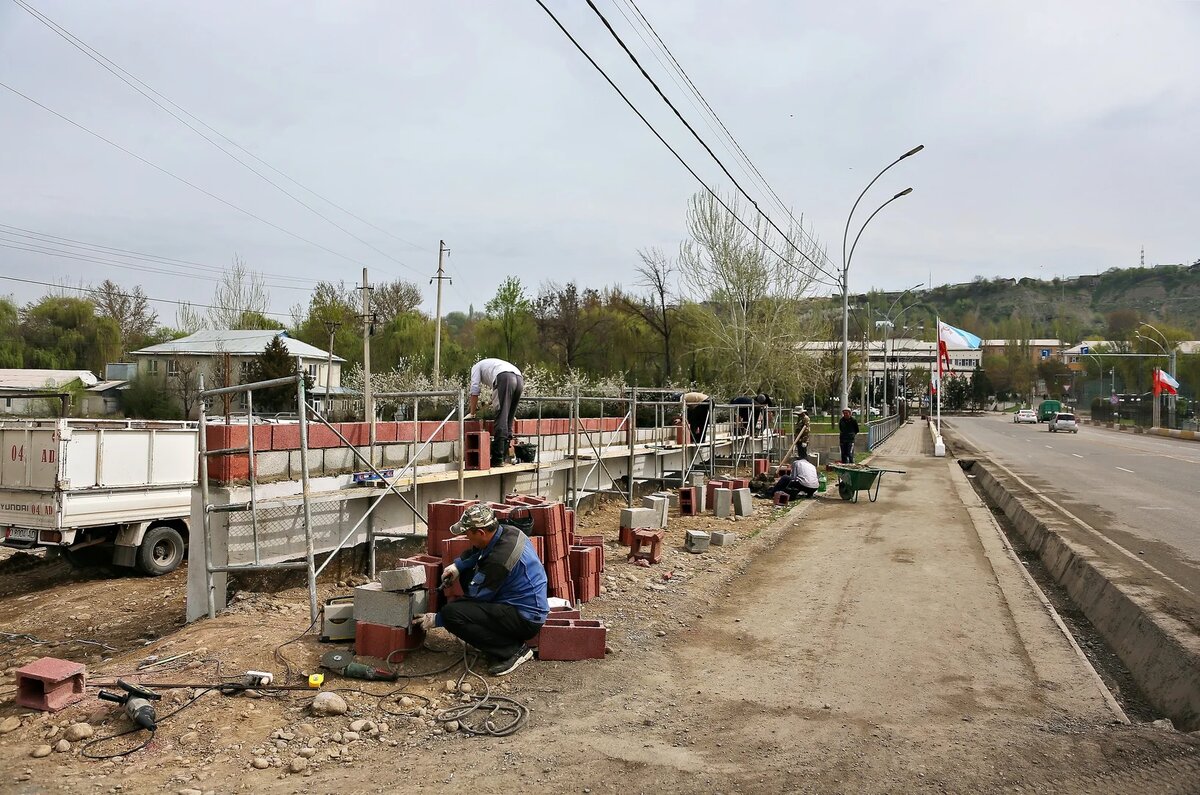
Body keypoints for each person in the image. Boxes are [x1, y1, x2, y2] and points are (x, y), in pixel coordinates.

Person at [412, 504, 548, 676]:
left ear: (481, 532)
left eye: (468, 533)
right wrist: (458, 566)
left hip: (525, 617)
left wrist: (438, 618)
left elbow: (476, 597)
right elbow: (480, 552)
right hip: (520, 601)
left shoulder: (498, 562)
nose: (466, 537)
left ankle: (513, 650)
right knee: (467, 577)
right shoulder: (509, 531)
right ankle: (499, 640)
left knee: (451, 615)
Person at [467, 358, 524, 466]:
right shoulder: (490, 364)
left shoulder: (476, 367)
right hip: (519, 378)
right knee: (508, 419)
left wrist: (472, 413)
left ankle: (498, 458)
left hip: (504, 377)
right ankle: (505, 455)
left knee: (501, 416)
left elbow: (474, 390)